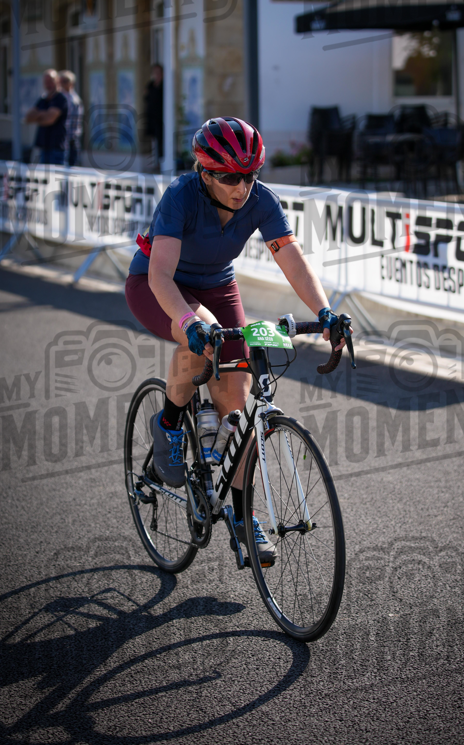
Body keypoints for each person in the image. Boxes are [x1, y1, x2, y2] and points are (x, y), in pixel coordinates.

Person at [125, 116, 349, 565]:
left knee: (239, 403)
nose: (240, 187)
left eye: (248, 175)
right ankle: (169, 425)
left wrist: (324, 313)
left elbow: (292, 259)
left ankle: (244, 518)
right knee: (202, 337)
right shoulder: (181, 196)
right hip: (158, 286)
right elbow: (160, 274)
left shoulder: (262, 200)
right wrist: (190, 321)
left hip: (218, 285)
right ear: (204, 171)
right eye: (228, 177)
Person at [25, 69, 68, 166]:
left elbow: (50, 120)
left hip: (57, 148)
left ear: (57, 81)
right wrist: (44, 114)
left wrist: (38, 116)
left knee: (56, 178)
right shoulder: (43, 99)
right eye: (46, 82)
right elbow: (28, 118)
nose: (48, 84)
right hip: (44, 147)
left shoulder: (60, 99)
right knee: (45, 178)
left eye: (51, 81)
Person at [59, 70, 84, 166]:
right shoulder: (59, 96)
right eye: (60, 81)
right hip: (62, 140)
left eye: (64, 81)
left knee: (71, 168)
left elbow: (71, 122)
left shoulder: (73, 100)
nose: (61, 84)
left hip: (70, 139)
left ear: (71, 83)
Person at [144, 63, 164, 167]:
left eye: (158, 72)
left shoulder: (164, 86)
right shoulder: (151, 85)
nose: (156, 74)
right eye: (154, 72)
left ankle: (161, 161)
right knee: (153, 139)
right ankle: (153, 161)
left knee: (161, 139)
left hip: (161, 118)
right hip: (152, 117)